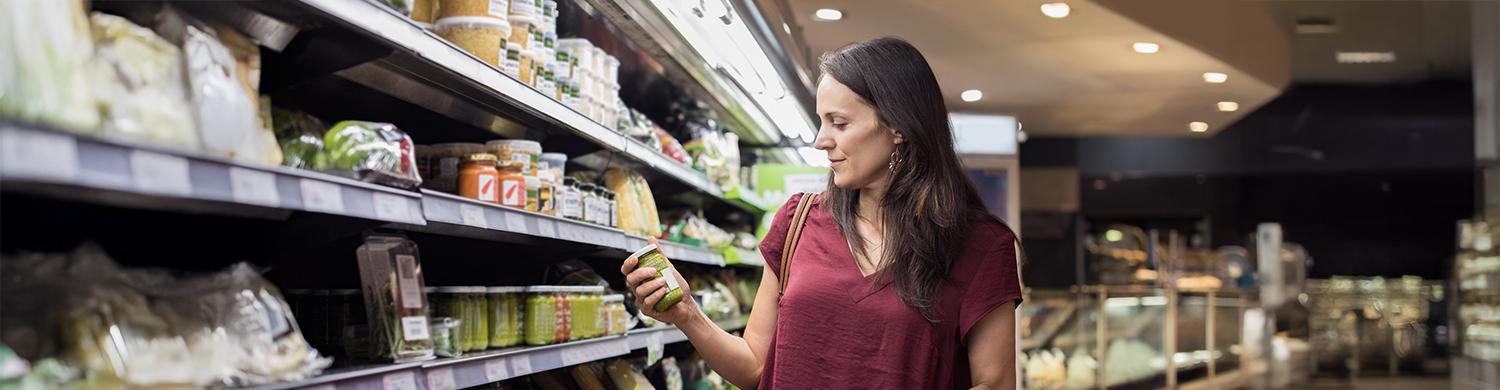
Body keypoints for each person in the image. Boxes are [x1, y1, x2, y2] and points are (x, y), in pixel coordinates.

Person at [622, 37, 1022, 390]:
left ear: (899, 126)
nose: (820, 140)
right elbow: (756, 367)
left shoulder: (980, 245)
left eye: (839, 123)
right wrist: (688, 314)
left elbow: (996, 383)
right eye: (821, 121)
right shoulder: (798, 222)